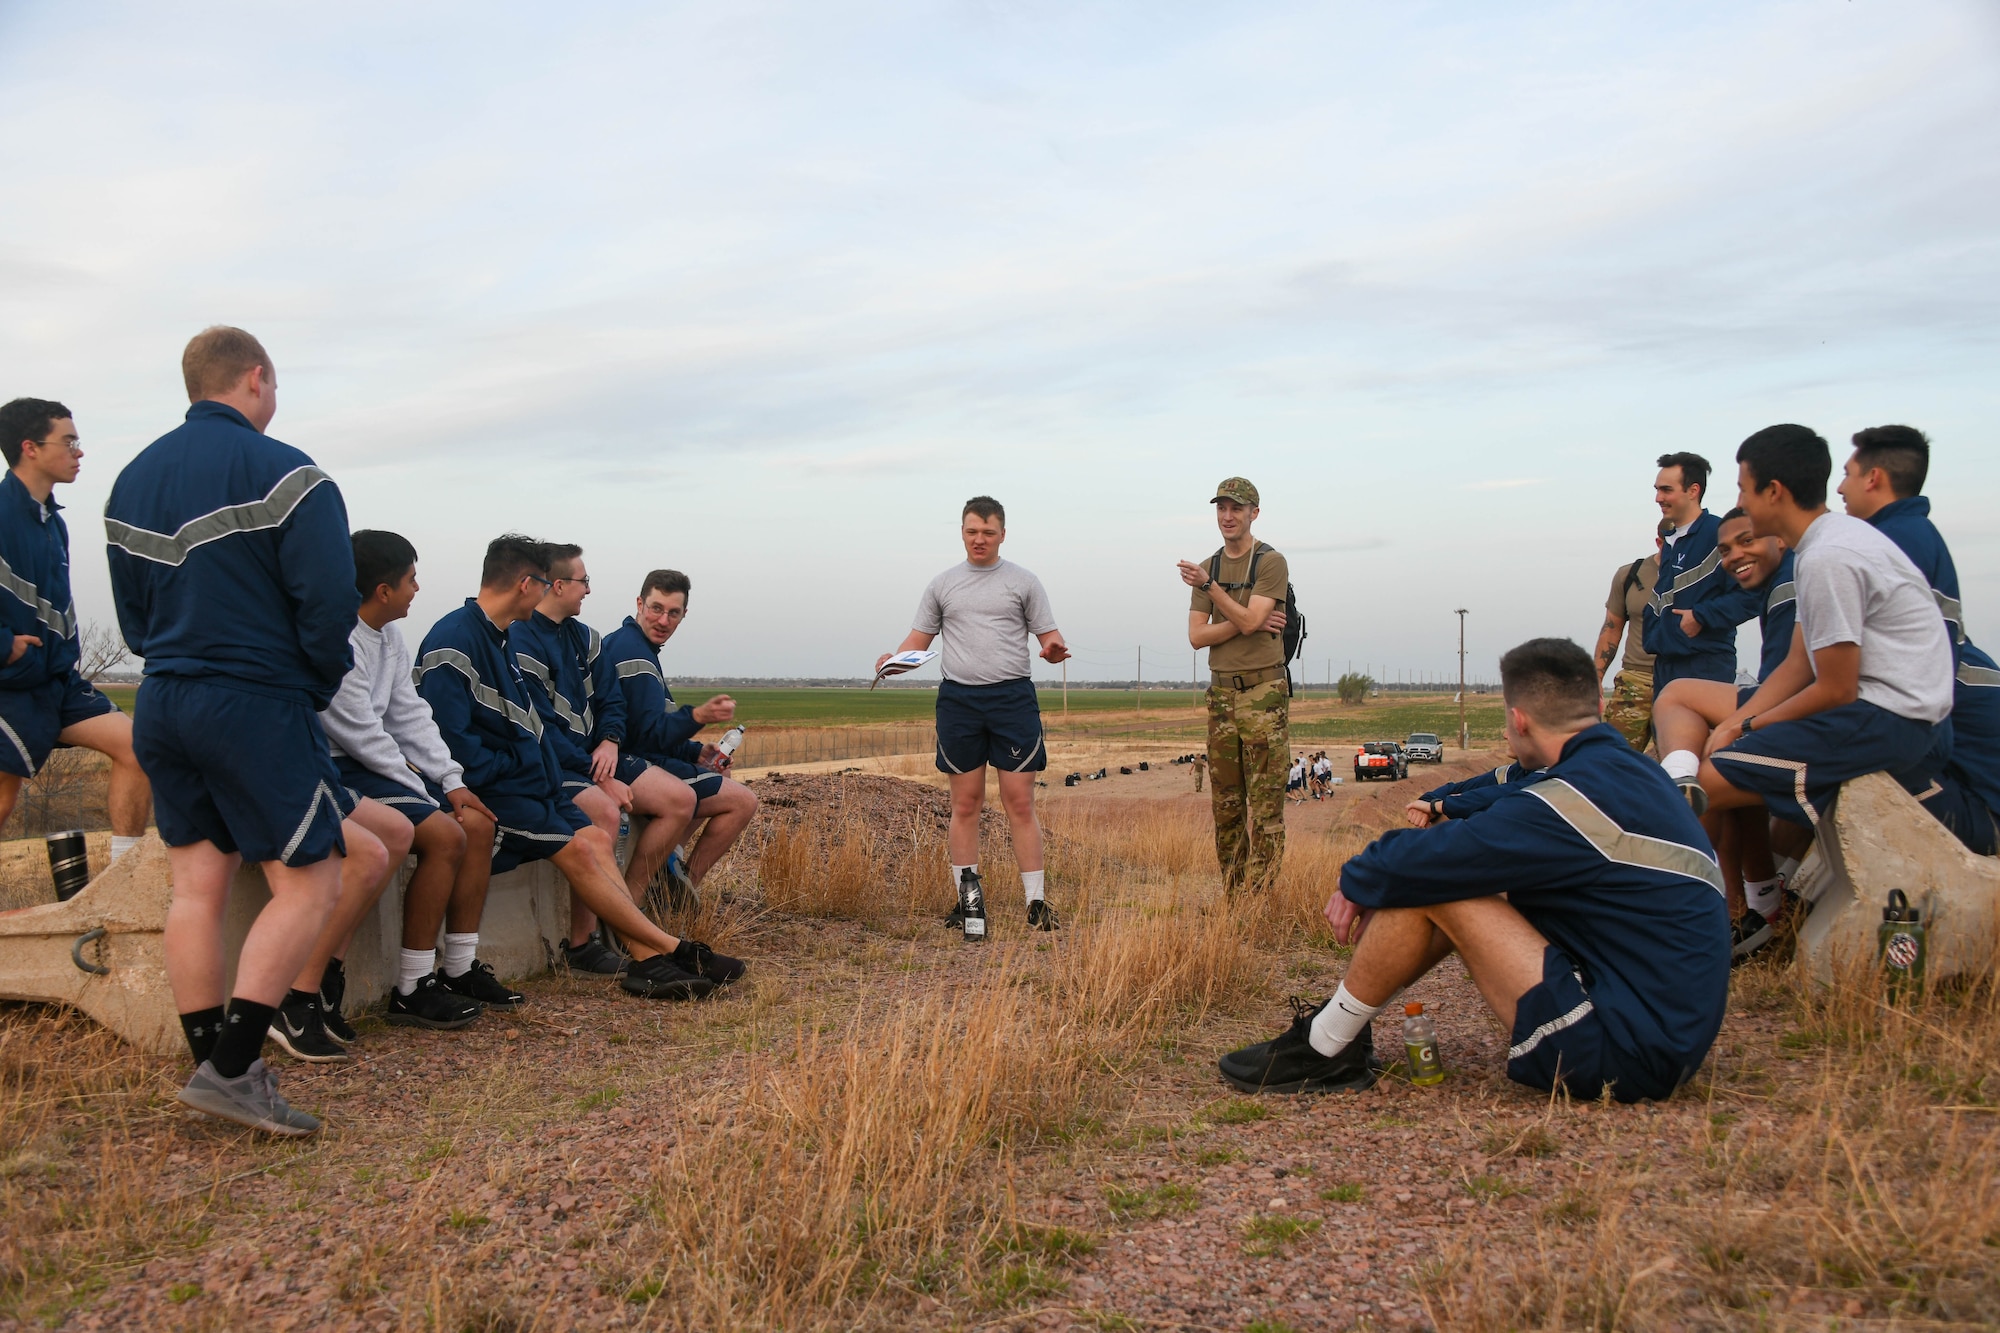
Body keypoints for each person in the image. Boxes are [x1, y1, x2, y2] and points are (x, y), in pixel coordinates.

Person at [1220, 637, 1728, 1103]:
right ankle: (1336, 1035)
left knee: (1441, 884)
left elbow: (1438, 855)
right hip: (1662, 1032)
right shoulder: (1627, 774)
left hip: (1626, 1054)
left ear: (1519, 720)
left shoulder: (1569, 799)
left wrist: (1357, 879)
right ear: (1596, 708)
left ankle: (1325, 1047)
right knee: (1446, 877)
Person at [104, 327, 362, 1136]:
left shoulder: (128, 482)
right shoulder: (289, 471)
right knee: (311, 880)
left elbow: (135, 620)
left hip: (163, 697)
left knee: (197, 888)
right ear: (256, 379)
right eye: (274, 387)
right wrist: (311, 683)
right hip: (252, 697)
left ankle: (211, 1062)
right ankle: (235, 1068)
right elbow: (328, 604)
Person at [415, 536, 744, 1001]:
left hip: (533, 778)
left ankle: (648, 954)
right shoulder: (463, 639)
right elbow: (461, 743)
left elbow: (563, 719)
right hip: (500, 785)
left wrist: (598, 750)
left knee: (592, 837)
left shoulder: (504, 635)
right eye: (578, 581)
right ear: (532, 584)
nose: (587, 591)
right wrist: (556, 773)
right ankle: (665, 949)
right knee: (595, 830)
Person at [1671, 427, 1954, 863]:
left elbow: (1835, 689)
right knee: (1716, 759)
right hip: (1884, 713)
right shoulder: (1826, 543)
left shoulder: (1829, 558)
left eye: (1745, 489)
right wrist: (1737, 722)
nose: (1741, 502)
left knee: (1705, 786)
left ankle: (1684, 911)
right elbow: (1799, 663)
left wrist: (1746, 728)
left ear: (1774, 490)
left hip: (1890, 720)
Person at [319, 530, 505, 1032]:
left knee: (477, 824)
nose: (417, 588)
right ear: (383, 591)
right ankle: (411, 986)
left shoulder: (390, 637)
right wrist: (423, 791)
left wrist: (450, 780)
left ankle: (459, 967)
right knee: (446, 833)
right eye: (411, 579)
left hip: (380, 764)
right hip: (340, 766)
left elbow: (410, 716)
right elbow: (359, 733)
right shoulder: (338, 639)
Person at [879, 497, 1069, 931]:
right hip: (959, 703)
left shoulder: (1024, 582)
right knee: (965, 803)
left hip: (1012, 700)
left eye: (987, 532)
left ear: (1003, 533)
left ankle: (1036, 904)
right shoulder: (943, 584)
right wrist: (891, 661)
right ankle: (969, 903)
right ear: (962, 533)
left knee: (1019, 802)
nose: (979, 539)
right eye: (971, 532)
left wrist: (1054, 652)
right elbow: (917, 642)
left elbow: (1051, 639)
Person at [513, 546, 697, 965]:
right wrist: (598, 774)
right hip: (561, 762)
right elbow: (540, 726)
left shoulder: (586, 637)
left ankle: (640, 911)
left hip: (598, 756)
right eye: (584, 582)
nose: (589, 591)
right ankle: (586, 944)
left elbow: (613, 702)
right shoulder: (523, 638)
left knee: (682, 799)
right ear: (557, 585)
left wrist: (610, 740)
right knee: (606, 814)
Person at [1837, 425, 1999, 856]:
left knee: (1840, 757)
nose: (1840, 487)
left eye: (1848, 473)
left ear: (1873, 478)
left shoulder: (1890, 545)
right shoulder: (1914, 537)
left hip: (1985, 820)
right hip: (1973, 798)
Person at [0, 398, 151, 860]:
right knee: (3, 799)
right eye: (68, 442)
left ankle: (122, 876)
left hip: (57, 682)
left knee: (139, 748)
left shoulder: (54, 523)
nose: (78, 452)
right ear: (29, 447)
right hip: (10, 683)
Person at [1649, 508, 1797, 957]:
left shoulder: (1796, 582)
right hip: (1790, 705)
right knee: (1720, 768)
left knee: (1705, 769)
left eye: (1746, 541)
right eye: (1726, 549)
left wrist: (1744, 722)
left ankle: (1682, 918)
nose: (1734, 556)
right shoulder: (1786, 581)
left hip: (1821, 720)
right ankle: (1755, 911)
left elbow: (1812, 679)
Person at [603, 569, 760, 910]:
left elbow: (647, 728)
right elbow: (646, 735)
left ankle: (673, 873)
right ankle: (655, 896)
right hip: (627, 762)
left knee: (718, 772)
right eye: (656, 608)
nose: (663, 619)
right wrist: (697, 717)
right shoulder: (635, 655)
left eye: (673, 613)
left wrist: (695, 750)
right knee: (742, 802)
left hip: (638, 755)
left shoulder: (636, 646)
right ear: (639, 603)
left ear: (684, 615)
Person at [1178, 478, 1292, 894]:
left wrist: (1211, 589)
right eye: (1222, 508)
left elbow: (1241, 623)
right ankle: (1234, 897)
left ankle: (1257, 904)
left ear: (1253, 514)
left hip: (1264, 695)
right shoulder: (1210, 563)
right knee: (1226, 807)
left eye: (1236, 509)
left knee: (1264, 808)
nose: (1227, 516)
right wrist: (1249, 619)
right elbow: (1196, 637)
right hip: (1221, 695)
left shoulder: (1270, 562)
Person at [1642, 452, 1762, 698]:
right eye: (1657, 490)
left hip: (1705, 666)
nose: (1658, 498)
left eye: (1666, 490)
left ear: (1693, 490)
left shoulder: (1719, 534)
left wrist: (1701, 616)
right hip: (1665, 664)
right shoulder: (1670, 540)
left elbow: (1753, 595)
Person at [1594, 522, 1666, 749]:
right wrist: (1595, 678)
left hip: (1680, 681)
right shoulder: (1630, 575)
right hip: (1635, 681)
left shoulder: (1700, 577)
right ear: (1659, 542)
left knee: (1677, 766)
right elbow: (1611, 628)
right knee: (1613, 760)